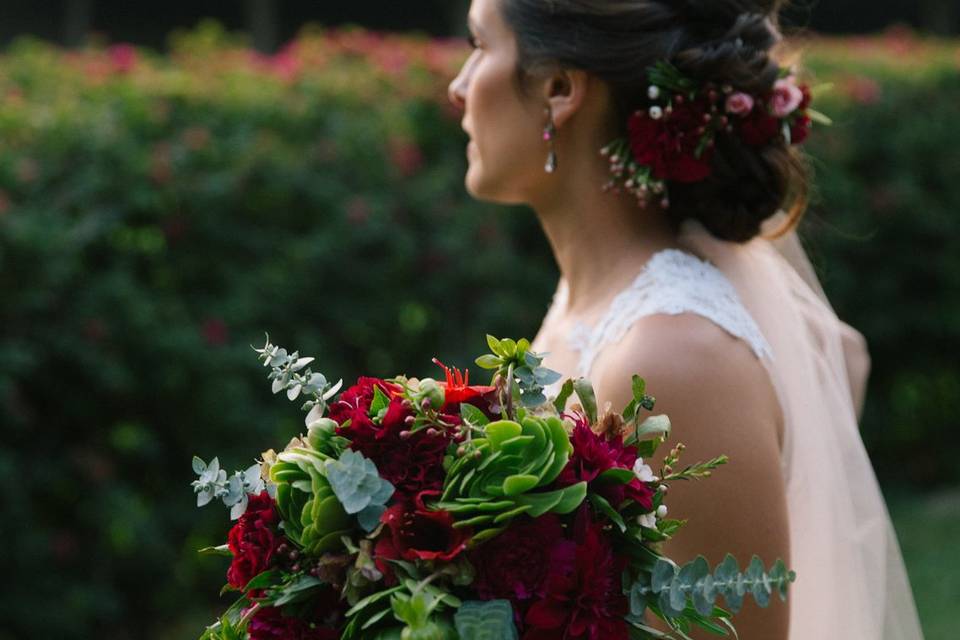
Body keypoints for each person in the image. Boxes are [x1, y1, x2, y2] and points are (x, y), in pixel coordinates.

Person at [446, 0, 924, 638]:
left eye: (480, 45)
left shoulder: (676, 360)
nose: (457, 87)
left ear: (560, 89)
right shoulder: (591, 298)